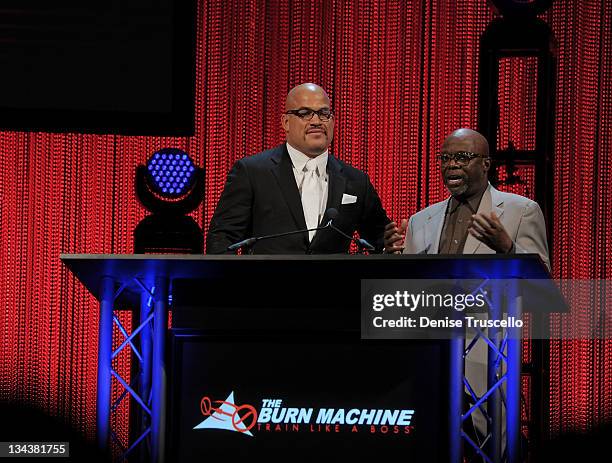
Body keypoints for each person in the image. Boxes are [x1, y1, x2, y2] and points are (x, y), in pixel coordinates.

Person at [206, 83, 390, 254]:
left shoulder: (356, 180)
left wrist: (391, 244)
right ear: (285, 122)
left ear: (333, 121)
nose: (316, 121)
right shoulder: (252, 172)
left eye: (324, 113)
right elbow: (222, 238)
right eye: (304, 113)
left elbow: (381, 239)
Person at [383, 128, 549, 269]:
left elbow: (541, 287)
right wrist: (394, 261)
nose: (451, 165)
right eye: (445, 158)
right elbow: (408, 290)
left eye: (463, 157)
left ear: (486, 164)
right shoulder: (418, 221)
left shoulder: (523, 211)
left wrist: (509, 249)